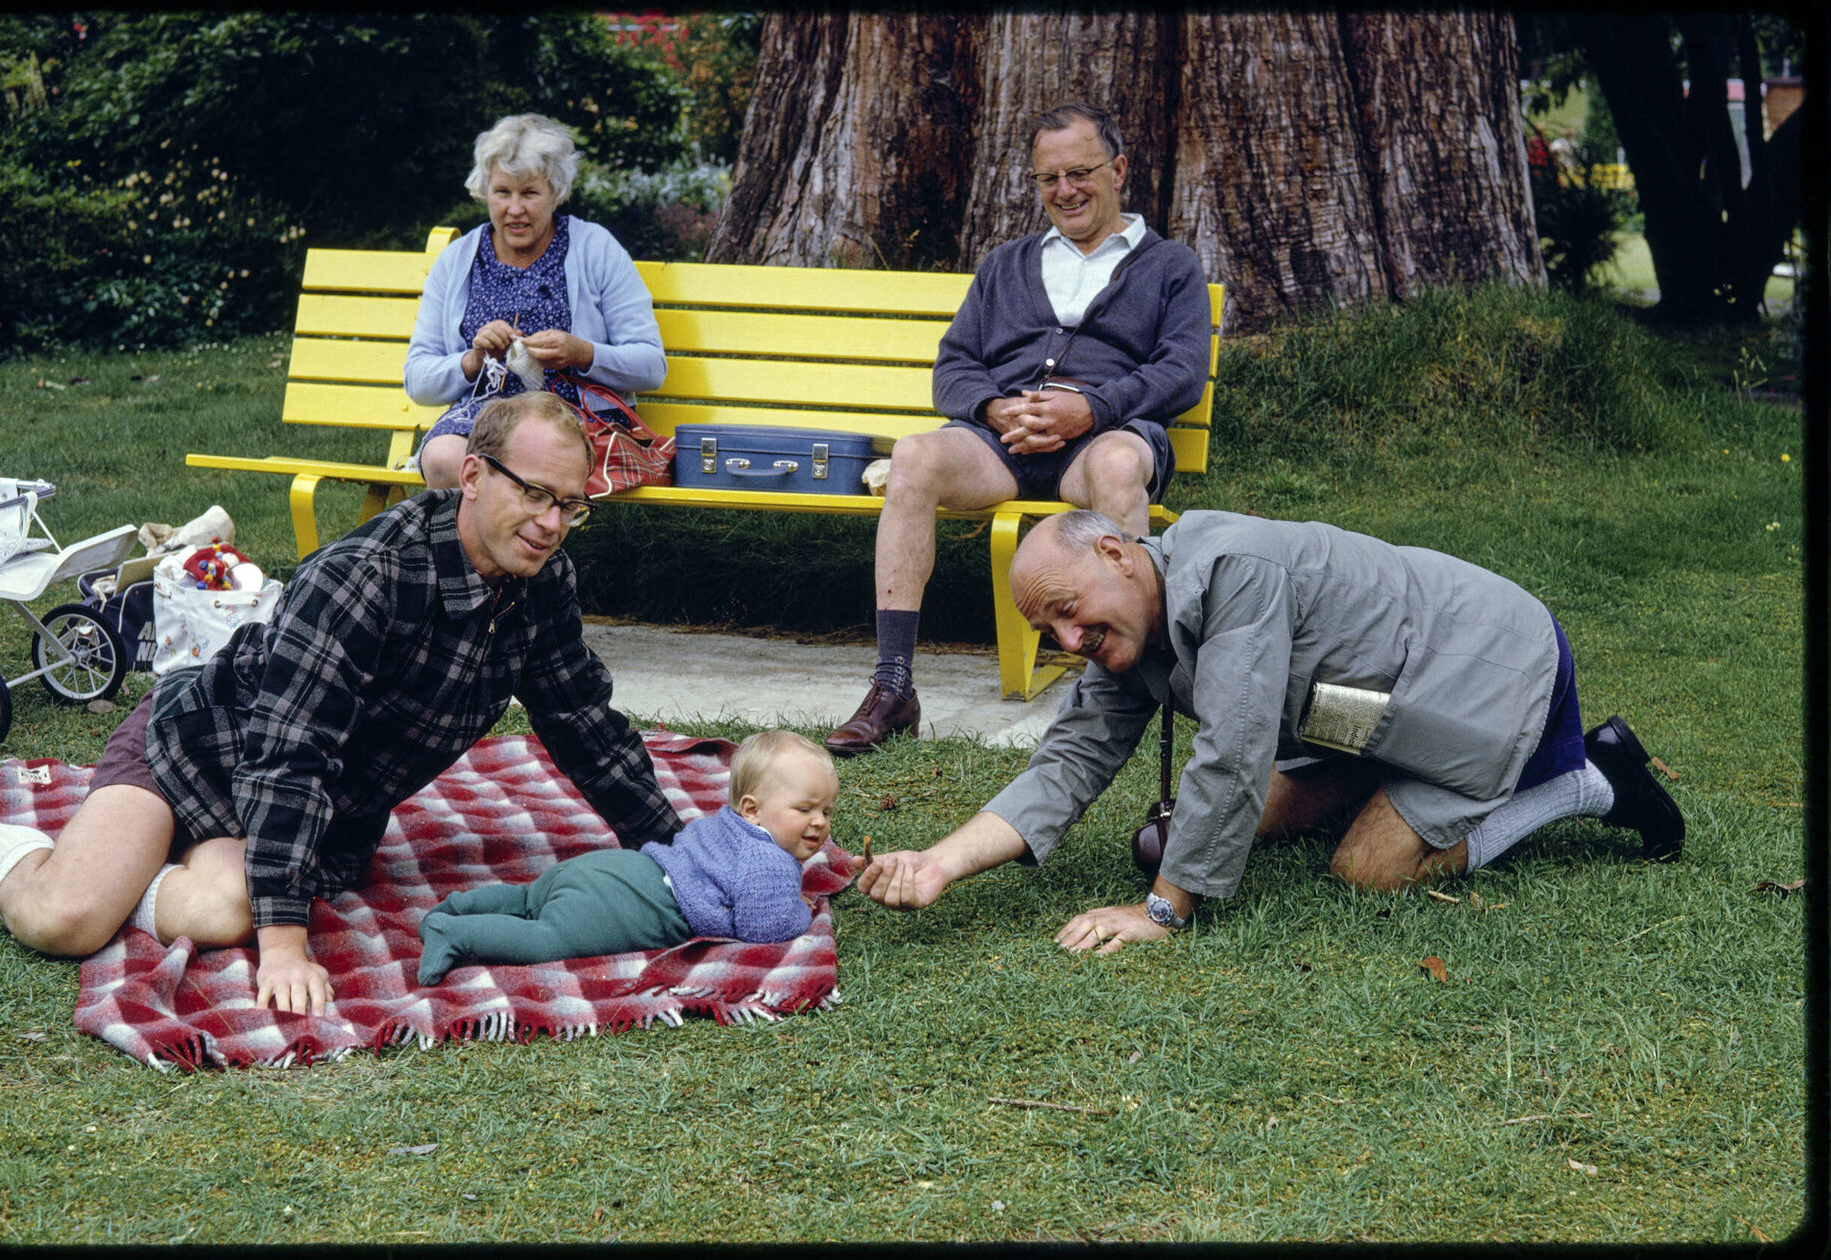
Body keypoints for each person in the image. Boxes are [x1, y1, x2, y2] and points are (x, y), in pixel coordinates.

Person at [0, 392, 683, 1012]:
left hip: (301, 812)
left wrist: (675, 857)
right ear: (472, 476)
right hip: (194, 754)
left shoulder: (543, 579)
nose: (551, 522)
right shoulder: (365, 577)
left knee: (228, 910)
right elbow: (291, 752)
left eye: (569, 505)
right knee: (66, 921)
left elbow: (583, 722)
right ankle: (13, 852)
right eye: (534, 493)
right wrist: (285, 947)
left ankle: (127, 866)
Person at [855, 509, 1684, 954]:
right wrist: (939, 863)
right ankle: (1382, 777)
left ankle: (1589, 781)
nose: (1070, 645)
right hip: (1365, 708)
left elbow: (1235, 748)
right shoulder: (1130, 626)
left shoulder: (1233, 570)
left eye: (1069, 615)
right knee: (1242, 821)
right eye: (1053, 635)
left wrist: (1166, 910)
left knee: (1366, 869)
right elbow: (1070, 759)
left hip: (1482, 669)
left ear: (1115, 552)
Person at [824, 101, 1213, 755]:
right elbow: (953, 370)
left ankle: (1124, 691)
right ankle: (892, 688)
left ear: (1117, 170)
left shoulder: (1170, 266)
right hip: (1002, 445)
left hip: (1102, 439)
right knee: (916, 455)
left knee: (1119, 468)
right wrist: (992, 408)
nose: (1065, 191)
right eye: (1048, 179)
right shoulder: (1007, 263)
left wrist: (1090, 410)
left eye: (1080, 172)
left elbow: (1180, 372)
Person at [417, 730, 834, 984]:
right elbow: (764, 929)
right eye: (805, 809)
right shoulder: (771, 863)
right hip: (638, 906)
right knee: (547, 936)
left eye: (826, 811)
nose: (818, 823)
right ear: (752, 808)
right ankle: (456, 934)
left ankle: (456, 907)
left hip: (621, 866)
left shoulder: (727, 824)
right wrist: (803, 911)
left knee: (530, 898)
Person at [405, 112, 666, 490]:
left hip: (572, 419)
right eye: (502, 193)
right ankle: (474, 549)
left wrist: (582, 353)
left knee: (529, 463)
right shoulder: (457, 259)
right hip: (481, 421)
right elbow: (418, 380)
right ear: (484, 190)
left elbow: (651, 365)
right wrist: (473, 361)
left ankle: (500, 547)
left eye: (529, 193)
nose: (514, 209)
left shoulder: (595, 248)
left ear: (555, 192)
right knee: (446, 459)